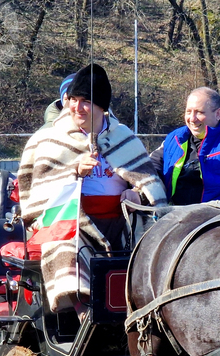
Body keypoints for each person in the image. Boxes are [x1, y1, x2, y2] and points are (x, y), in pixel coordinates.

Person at [17, 64, 166, 311]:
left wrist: (138, 194)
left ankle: (150, 309)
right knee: (65, 246)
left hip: (122, 221)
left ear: (102, 106)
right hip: (72, 221)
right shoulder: (50, 138)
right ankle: (84, 313)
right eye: (73, 100)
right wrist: (74, 172)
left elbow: (148, 182)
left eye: (85, 101)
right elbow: (36, 189)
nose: (77, 107)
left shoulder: (123, 136)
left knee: (155, 243)